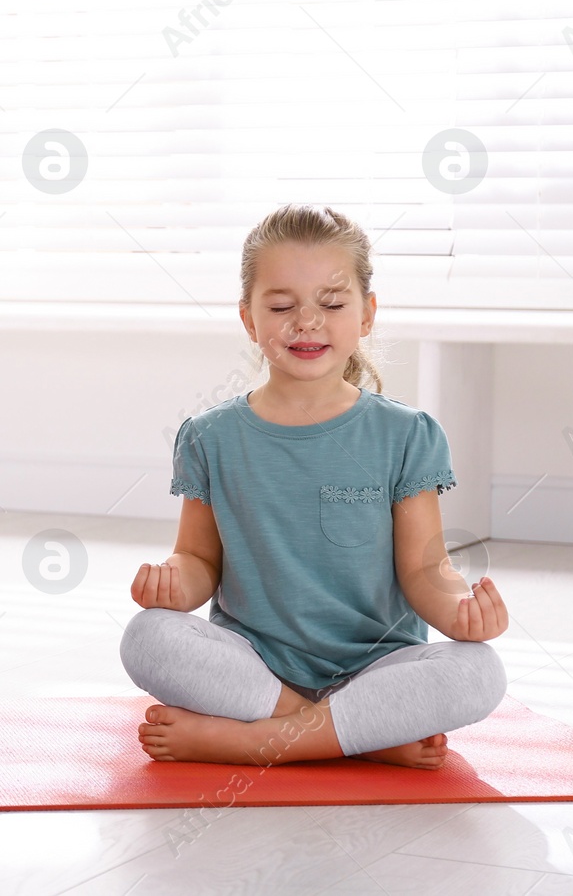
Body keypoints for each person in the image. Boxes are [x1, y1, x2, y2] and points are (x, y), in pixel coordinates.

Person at [119, 204, 508, 770]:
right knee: (146, 637)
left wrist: (461, 614)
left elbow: (424, 569)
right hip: (257, 666)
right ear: (249, 319)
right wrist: (174, 584)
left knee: (480, 672)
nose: (306, 322)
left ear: (367, 314)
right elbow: (198, 555)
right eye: (281, 306)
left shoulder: (407, 434)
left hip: (377, 667)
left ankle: (253, 742)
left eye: (331, 304)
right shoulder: (209, 437)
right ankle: (354, 736)